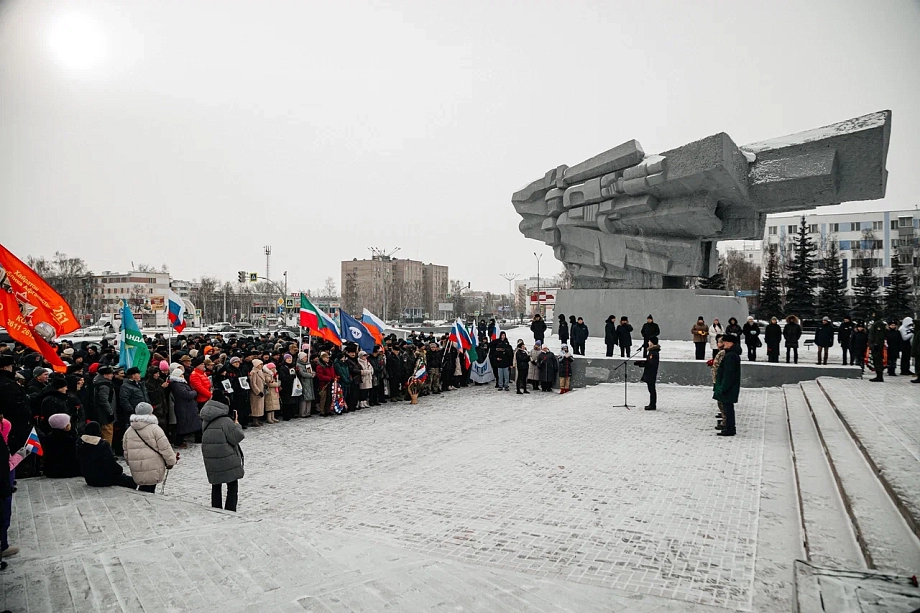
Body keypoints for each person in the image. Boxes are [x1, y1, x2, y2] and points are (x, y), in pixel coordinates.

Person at [200, 399, 245, 512]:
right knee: (232, 485)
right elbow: (237, 437)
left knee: (216, 485)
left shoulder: (206, 419)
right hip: (227, 457)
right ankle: (230, 510)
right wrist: (237, 425)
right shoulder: (225, 421)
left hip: (211, 457)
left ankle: (217, 509)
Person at [122, 402, 177, 494]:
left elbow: (126, 451)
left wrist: (130, 462)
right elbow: (165, 447)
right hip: (153, 466)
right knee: (149, 490)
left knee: (144, 489)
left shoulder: (129, 431)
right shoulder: (155, 429)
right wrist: (171, 461)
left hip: (137, 466)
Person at [76, 421, 137, 489]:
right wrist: (119, 470)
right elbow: (110, 464)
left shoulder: (80, 444)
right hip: (104, 479)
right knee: (126, 479)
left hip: (89, 479)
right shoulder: (102, 445)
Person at [713, 334, 741, 437]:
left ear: (731, 343)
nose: (723, 344)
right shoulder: (732, 354)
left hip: (728, 387)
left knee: (728, 408)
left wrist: (723, 388)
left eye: (726, 342)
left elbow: (728, 374)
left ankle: (729, 428)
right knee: (728, 408)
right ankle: (729, 427)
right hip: (730, 387)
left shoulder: (730, 356)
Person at [40, 413, 81, 478]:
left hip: (51, 471)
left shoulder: (48, 437)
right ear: (66, 426)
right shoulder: (71, 439)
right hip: (70, 471)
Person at [169, 367, 201, 445]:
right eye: (181, 375)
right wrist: (194, 392)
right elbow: (186, 394)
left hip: (187, 407)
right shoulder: (178, 385)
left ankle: (197, 439)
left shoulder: (179, 384)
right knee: (184, 425)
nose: (183, 376)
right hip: (184, 407)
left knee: (191, 424)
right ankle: (179, 442)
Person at [90, 366, 117, 444]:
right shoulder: (104, 386)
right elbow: (104, 401)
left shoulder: (99, 382)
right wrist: (110, 413)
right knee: (107, 433)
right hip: (106, 415)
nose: (112, 375)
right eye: (110, 374)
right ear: (105, 375)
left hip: (103, 413)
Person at [635, 337, 660, 410]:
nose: (648, 342)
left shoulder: (653, 352)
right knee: (651, 389)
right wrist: (641, 362)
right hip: (650, 372)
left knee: (652, 389)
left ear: (652, 342)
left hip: (651, 373)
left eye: (649, 341)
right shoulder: (652, 351)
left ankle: (652, 405)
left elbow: (651, 363)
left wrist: (641, 364)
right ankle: (652, 404)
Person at [277, 354, 298, 420]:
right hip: (285, 386)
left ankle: (292, 413)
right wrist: (291, 377)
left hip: (291, 385)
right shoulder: (283, 367)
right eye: (288, 359)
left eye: (290, 359)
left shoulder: (292, 366)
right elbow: (283, 377)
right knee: (286, 401)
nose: (289, 360)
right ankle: (286, 415)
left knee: (292, 400)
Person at [868, 313, 886, 382]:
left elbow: (879, 335)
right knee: (876, 360)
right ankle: (878, 375)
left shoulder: (879, 324)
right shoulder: (876, 323)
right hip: (874, 345)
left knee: (878, 360)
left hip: (877, 346)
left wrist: (876, 344)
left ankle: (879, 376)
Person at [248, 358, 266, 426]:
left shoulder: (260, 372)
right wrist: (258, 392)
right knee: (255, 407)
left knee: (260, 407)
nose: (261, 365)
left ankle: (258, 419)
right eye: (260, 364)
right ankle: (254, 421)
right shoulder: (253, 372)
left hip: (261, 391)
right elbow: (253, 384)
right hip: (256, 393)